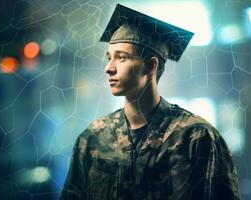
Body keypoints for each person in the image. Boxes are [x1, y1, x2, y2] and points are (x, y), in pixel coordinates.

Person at [60, 4, 240, 200]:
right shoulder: (93, 138)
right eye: (109, 57)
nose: (109, 68)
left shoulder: (195, 137)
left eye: (122, 58)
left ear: (151, 66)